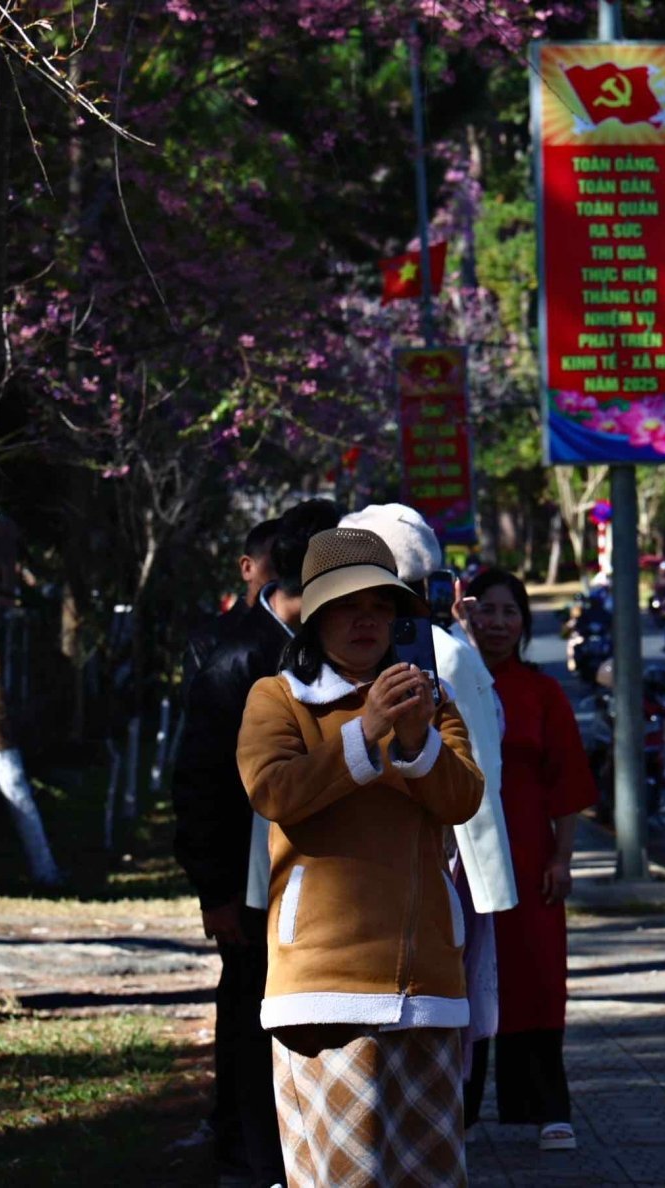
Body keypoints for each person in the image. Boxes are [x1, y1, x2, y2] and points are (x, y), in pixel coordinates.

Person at [237, 527, 484, 1186]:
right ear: (314, 620)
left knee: (430, 1176)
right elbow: (274, 791)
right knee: (344, 1177)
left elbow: (463, 799)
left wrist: (413, 740)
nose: (366, 620)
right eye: (348, 607)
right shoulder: (277, 698)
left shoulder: (431, 704)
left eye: (382, 607)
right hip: (324, 989)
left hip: (428, 985)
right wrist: (366, 731)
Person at [171, 498, 337, 1187]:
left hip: (313, 878)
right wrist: (215, 891)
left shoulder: (326, 646)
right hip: (249, 878)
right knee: (250, 1009)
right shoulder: (238, 657)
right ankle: (246, 1151)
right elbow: (200, 782)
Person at [339, 504, 520, 1122]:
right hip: (383, 867)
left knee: (438, 1018)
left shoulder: (443, 655)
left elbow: (473, 775)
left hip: (440, 861)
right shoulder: (447, 652)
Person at [464, 567, 599, 1153]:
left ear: (524, 621)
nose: (497, 623)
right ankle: (456, 1113)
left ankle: (547, 1109)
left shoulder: (542, 693)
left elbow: (567, 781)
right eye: (486, 610)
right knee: (464, 981)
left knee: (537, 979)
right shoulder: (446, 680)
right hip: (460, 854)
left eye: (509, 611)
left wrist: (563, 857)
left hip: (527, 856)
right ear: (466, 614)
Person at [182, 518, 281, 690]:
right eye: (278, 564)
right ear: (247, 568)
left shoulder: (313, 636)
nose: (285, 577)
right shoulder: (208, 643)